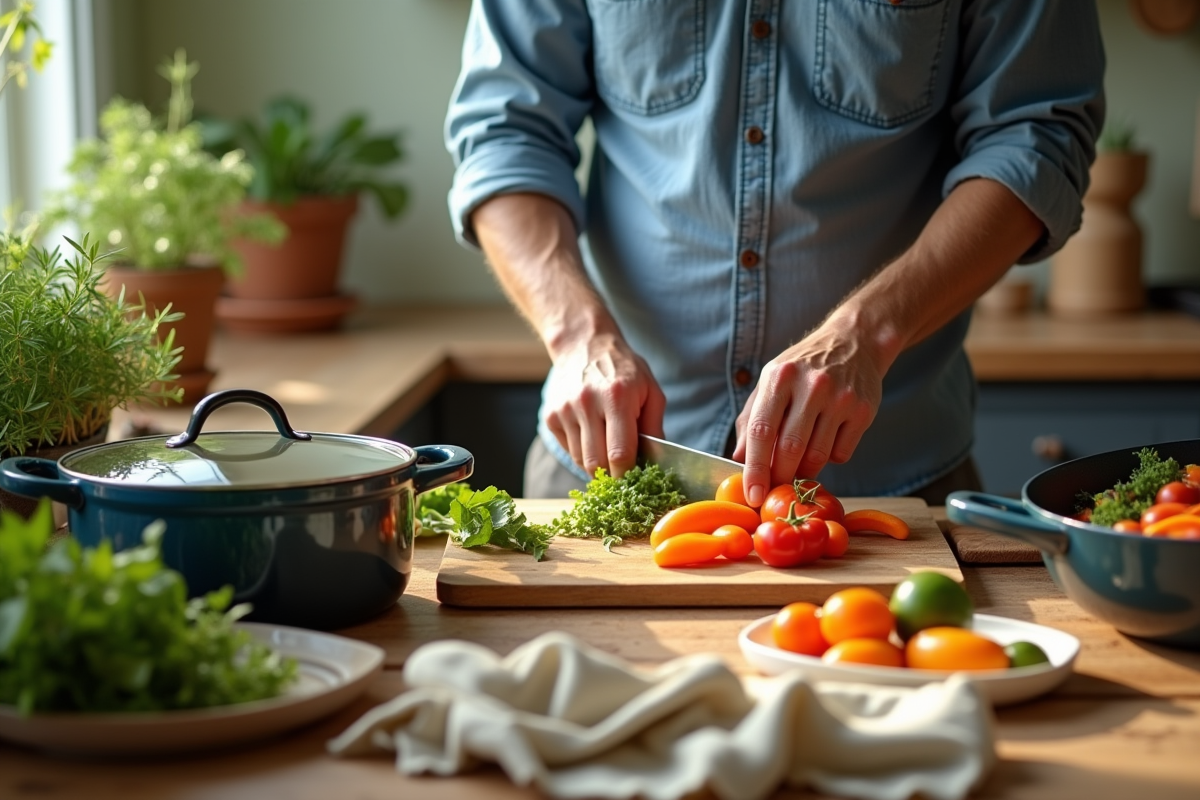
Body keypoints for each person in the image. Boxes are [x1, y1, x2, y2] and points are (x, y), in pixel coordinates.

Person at [444, 1, 1105, 505]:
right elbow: (506, 132)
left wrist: (867, 333)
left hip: (885, 488)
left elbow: (1035, 136)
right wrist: (576, 335)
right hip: (602, 472)